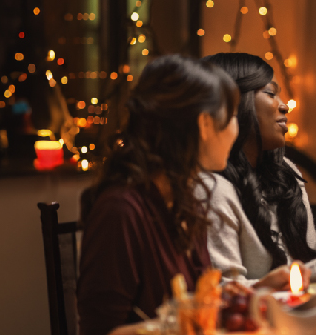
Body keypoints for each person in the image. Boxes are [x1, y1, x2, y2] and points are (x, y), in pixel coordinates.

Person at [77, 55, 240, 335]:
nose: (237, 128)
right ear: (204, 124)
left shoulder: (186, 201)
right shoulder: (121, 211)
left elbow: (196, 303)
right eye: (233, 115)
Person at [202, 53, 316, 287]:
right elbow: (224, 292)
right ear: (235, 105)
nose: (284, 105)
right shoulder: (212, 188)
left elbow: (301, 267)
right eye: (270, 93)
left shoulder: (285, 172)